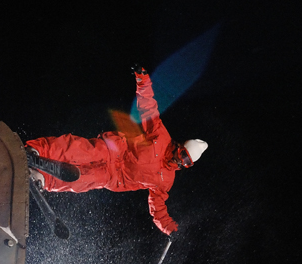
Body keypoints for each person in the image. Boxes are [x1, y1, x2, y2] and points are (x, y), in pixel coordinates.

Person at [26, 68, 207, 236]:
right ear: (180, 147)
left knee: (81, 179)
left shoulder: (165, 180)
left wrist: (169, 228)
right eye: (183, 155)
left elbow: (158, 208)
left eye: (186, 162)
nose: (181, 161)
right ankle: (38, 150)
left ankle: (43, 178)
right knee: (79, 150)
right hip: (113, 150)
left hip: (113, 177)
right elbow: (148, 109)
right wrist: (142, 80)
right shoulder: (161, 137)